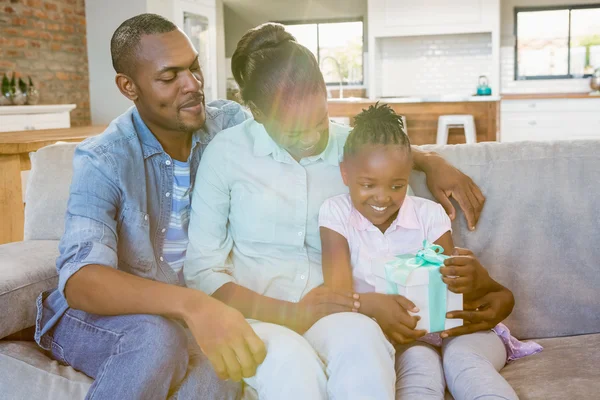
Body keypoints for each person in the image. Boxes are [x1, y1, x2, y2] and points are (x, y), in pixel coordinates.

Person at [184, 23, 511, 400]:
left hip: (338, 314)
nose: (310, 139)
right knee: (292, 367)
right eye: (293, 132)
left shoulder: (347, 148)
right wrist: (291, 315)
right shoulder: (226, 154)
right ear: (255, 112)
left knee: (362, 345)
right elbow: (203, 270)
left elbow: (387, 157)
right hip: (262, 318)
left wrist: (430, 160)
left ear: (325, 93)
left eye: (318, 121)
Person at [34, 14, 266, 399]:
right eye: (169, 76)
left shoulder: (228, 125)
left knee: (220, 369)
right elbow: (81, 280)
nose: (192, 85)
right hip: (97, 318)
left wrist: (401, 152)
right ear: (129, 86)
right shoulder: (104, 158)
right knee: (156, 339)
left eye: (193, 67)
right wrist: (194, 306)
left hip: (178, 315)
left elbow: (302, 135)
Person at [319, 103, 540, 399]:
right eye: (368, 184)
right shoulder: (336, 213)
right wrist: (375, 308)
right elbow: (338, 294)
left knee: (464, 363)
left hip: (458, 330)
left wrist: (470, 278)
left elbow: (450, 290)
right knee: (418, 369)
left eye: (397, 185)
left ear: (409, 174)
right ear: (345, 173)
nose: (382, 198)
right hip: (406, 339)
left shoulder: (429, 215)